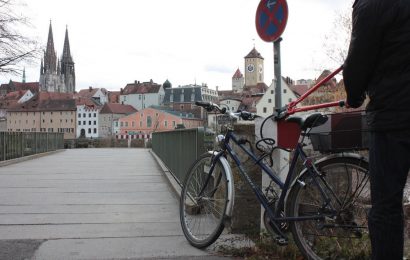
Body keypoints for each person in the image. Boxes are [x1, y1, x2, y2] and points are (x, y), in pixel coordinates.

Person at [343, 0, 410, 259]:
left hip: (394, 115)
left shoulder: (372, 4)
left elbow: (360, 58)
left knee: (386, 206)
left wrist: (354, 96)